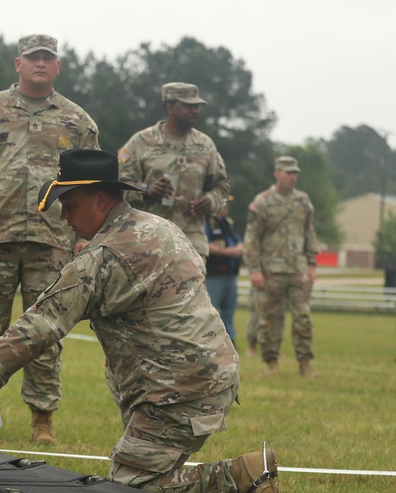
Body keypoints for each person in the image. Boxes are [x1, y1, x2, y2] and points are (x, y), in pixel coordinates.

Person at [0, 150, 279, 493]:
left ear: (101, 199)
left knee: (127, 491)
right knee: (131, 475)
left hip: (178, 390)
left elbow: (40, 325)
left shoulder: (102, 256)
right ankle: (166, 459)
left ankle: (242, 474)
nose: (64, 216)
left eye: (71, 204)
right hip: (205, 375)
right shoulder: (160, 227)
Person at [0, 34, 100, 446]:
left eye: (48, 58)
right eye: (33, 58)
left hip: (53, 242)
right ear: (18, 64)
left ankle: (42, 419)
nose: (40, 64)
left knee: (45, 332)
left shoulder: (77, 121)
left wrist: (90, 237)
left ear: (58, 65)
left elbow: (93, 187)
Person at [118, 82, 230, 261]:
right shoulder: (141, 142)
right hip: (149, 242)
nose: (195, 111)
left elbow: (222, 185)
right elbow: (118, 187)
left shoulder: (205, 145)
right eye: (188, 106)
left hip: (191, 243)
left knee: (194, 290)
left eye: (197, 106)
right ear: (170, 107)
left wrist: (210, 201)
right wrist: (147, 190)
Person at [244, 156, 319, 377]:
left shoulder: (303, 201)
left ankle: (305, 363)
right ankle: (271, 363)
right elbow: (251, 239)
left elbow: (310, 234)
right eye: (288, 172)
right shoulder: (263, 201)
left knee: (303, 317)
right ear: (277, 173)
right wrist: (255, 269)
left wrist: (312, 263)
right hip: (270, 272)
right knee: (269, 320)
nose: (292, 177)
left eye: (295, 173)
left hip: (298, 270)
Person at [204, 196, 244, 344]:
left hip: (230, 273)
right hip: (214, 274)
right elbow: (204, 244)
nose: (227, 208)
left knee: (229, 309)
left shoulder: (228, 223)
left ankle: (230, 340)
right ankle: (212, 340)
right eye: (224, 205)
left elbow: (238, 241)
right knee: (212, 310)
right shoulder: (207, 222)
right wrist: (226, 251)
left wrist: (239, 248)